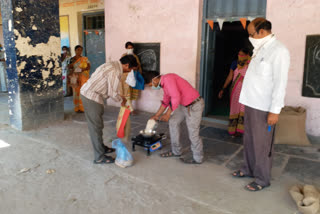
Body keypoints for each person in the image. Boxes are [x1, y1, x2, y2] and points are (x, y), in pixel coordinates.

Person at [232, 18, 290, 191]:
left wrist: (275, 111)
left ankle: (262, 179)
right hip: (250, 102)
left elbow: (281, 83)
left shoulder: (279, 51)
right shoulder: (259, 49)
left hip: (264, 107)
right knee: (249, 139)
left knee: (262, 144)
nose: (249, 38)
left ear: (262, 32)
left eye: (251, 34)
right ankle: (248, 169)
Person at [80, 55, 138, 164]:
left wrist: (120, 96)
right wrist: (122, 99)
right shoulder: (115, 71)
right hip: (91, 96)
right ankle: (99, 157)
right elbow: (112, 92)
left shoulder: (111, 64)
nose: (129, 72)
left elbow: (108, 86)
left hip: (92, 94)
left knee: (98, 125)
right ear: (126, 65)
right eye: (130, 69)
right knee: (95, 127)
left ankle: (101, 148)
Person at [143, 72, 205, 164]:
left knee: (193, 133)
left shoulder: (168, 79)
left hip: (194, 106)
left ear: (155, 79)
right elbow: (166, 101)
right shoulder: (165, 84)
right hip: (183, 105)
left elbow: (175, 97)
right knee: (173, 123)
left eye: (151, 84)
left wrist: (168, 114)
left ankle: (198, 158)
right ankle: (176, 151)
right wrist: (157, 115)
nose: (152, 86)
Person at [218, 48, 251, 137]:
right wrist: (223, 88)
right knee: (234, 109)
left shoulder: (251, 64)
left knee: (244, 110)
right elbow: (230, 76)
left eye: (242, 55)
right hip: (235, 91)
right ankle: (234, 130)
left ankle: (242, 130)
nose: (240, 56)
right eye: (239, 54)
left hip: (247, 91)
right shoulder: (234, 63)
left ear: (247, 55)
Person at [68, 45, 91, 113]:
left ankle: (83, 107)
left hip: (83, 77)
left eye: (81, 50)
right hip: (75, 77)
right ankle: (77, 107)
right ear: (75, 50)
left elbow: (89, 66)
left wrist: (83, 69)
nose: (79, 51)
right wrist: (72, 67)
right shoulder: (72, 59)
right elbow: (69, 67)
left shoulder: (84, 59)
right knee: (76, 92)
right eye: (78, 50)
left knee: (83, 91)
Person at [121, 41, 142, 115]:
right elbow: (122, 67)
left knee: (132, 93)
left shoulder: (135, 56)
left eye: (131, 48)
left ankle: (128, 107)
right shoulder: (123, 56)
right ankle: (131, 109)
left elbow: (138, 66)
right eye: (128, 48)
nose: (130, 49)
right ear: (126, 48)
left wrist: (137, 70)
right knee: (127, 93)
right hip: (125, 78)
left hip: (133, 76)